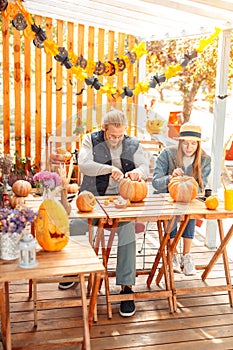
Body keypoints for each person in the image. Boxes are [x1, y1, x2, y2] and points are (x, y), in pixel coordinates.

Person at [59, 108, 149, 317]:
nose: (116, 139)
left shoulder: (133, 143)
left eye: (120, 135)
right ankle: (75, 269)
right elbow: (84, 165)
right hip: (92, 198)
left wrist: (137, 172)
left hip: (120, 201)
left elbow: (145, 166)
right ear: (104, 129)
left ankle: (126, 287)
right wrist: (109, 169)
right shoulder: (90, 140)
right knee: (75, 227)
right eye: (112, 135)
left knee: (127, 233)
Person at [152, 122, 211, 275]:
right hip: (166, 200)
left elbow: (200, 188)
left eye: (193, 143)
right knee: (174, 212)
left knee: (188, 211)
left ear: (198, 144)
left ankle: (187, 255)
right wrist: (170, 178)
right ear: (179, 142)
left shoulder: (205, 160)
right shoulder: (167, 154)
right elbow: (156, 183)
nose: (188, 147)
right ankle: (173, 253)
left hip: (188, 202)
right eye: (185, 143)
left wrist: (188, 183)